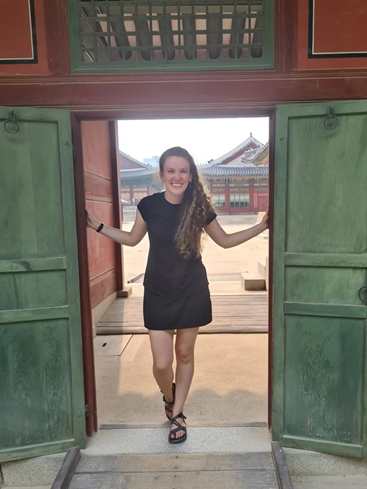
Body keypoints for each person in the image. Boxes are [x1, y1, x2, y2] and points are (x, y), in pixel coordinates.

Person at [87, 146, 269, 444]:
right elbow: (131, 239)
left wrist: (261, 226)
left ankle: (178, 414)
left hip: (191, 290)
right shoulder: (148, 205)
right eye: (171, 171)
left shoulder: (199, 208)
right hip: (157, 291)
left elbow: (224, 241)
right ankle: (169, 397)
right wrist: (97, 226)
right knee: (161, 363)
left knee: (184, 354)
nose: (177, 176)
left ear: (191, 175)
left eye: (183, 171)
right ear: (161, 175)